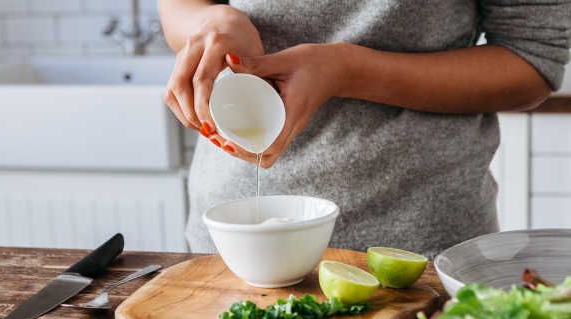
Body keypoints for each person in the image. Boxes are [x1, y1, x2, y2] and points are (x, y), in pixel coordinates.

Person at [159, 0, 571, 256]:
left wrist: (349, 71)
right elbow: (179, 5)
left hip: (419, 247)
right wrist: (211, 22)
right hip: (232, 240)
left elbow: (532, 57)